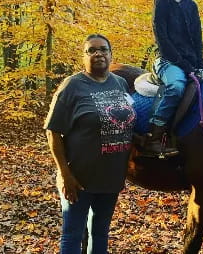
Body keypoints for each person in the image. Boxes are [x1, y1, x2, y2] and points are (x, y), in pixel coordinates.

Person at [45, 34, 136, 254]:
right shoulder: (72, 86)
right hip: (79, 179)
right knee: (72, 234)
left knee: (100, 233)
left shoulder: (120, 83)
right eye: (91, 51)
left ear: (111, 54)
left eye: (103, 49)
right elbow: (53, 132)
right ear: (83, 57)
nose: (98, 54)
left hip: (111, 178)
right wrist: (65, 175)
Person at [146, 0, 203, 157]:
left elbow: (197, 39)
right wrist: (185, 66)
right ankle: (154, 138)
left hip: (190, 61)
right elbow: (162, 39)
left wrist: (201, 66)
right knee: (176, 86)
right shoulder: (161, 3)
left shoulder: (192, 7)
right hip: (166, 59)